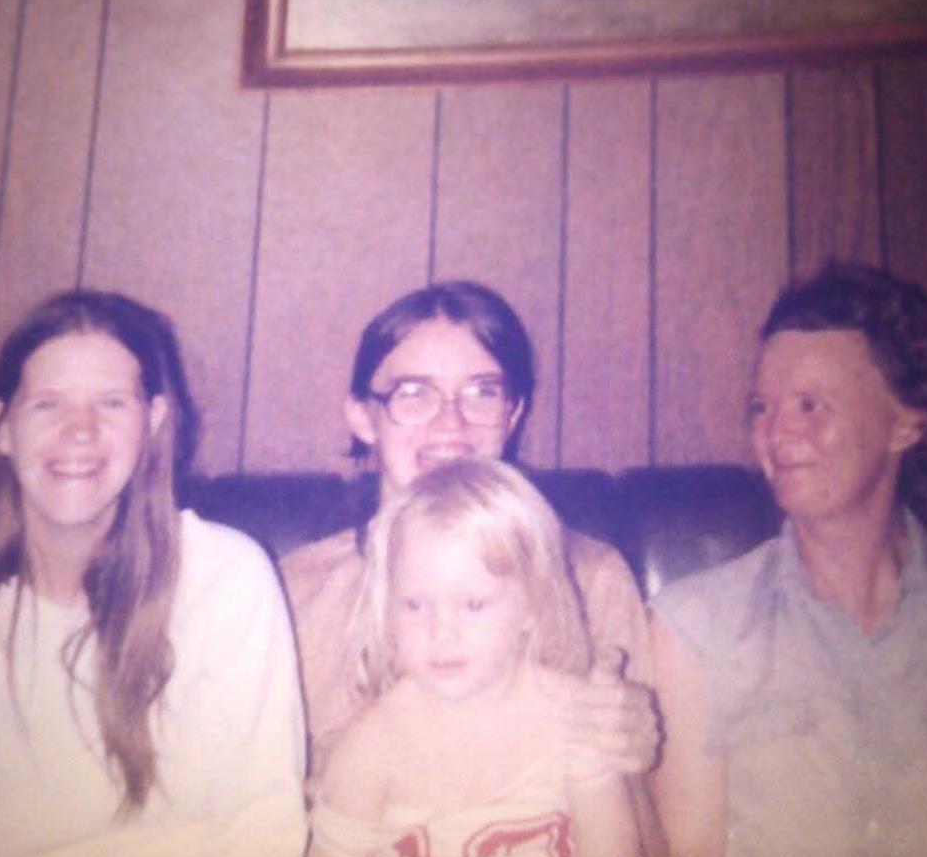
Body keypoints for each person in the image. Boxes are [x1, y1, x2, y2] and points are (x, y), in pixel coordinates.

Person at [0, 289, 307, 857]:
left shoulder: (226, 581)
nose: (80, 431)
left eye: (111, 403)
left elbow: (259, 834)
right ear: (1, 429)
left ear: (153, 423)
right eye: (48, 404)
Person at [650, 262, 927, 857]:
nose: (778, 433)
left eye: (810, 405)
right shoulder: (696, 627)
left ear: (906, 422)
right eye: (761, 409)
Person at [279, 281, 661, 786]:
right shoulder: (294, 593)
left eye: (482, 392)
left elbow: (646, 821)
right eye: (413, 393)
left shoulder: (590, 580)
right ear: (364, 417)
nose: (451, 424)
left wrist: (629, 744)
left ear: (513, 414)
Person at [300, 460, 645, 857]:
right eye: (415, 605)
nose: (442, 631)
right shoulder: (372, 746)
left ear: (532, 606)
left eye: (474, 605)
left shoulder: (577, 719)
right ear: (386, 609)